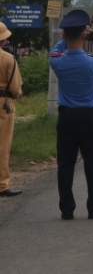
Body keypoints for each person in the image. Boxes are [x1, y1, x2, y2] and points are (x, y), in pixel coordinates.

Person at [49, 9, 93, 220]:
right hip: (89, 118)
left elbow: (56, 50)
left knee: (65, 163)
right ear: (85, 35)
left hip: (66, 118)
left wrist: (65, 37)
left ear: (65, 36)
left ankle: (67, 208)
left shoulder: (57, 62)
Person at [0, 23, 23, 198]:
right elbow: (15, 89)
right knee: (2, 145)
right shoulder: (8, 58)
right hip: (4, 104)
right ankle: (2, 184)